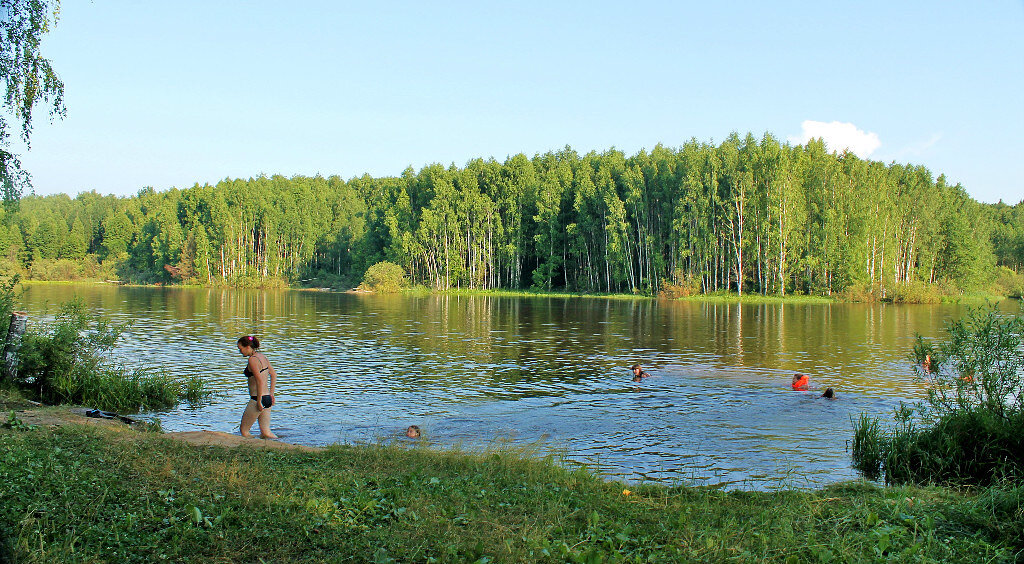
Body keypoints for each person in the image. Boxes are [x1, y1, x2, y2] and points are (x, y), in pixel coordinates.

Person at [237, 335, 278, 439]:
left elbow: (259, 380)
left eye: (240, 349)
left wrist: (259, 400)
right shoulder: (262, 356)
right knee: (266, 433)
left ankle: (249, 447)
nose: (240, 352)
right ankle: (281, 445)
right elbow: (273, 374)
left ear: (247, 347)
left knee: (244, 431)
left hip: (257, 398)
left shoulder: (252, 360)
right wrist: (271, 395)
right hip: (267, 398)